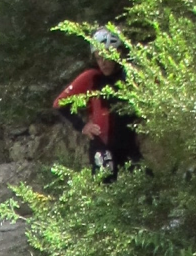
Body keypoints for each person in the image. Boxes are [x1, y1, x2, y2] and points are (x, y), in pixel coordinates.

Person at [53, 29, 141, 178]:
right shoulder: (92, 77)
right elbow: (59, 104)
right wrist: (82, 126)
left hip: (128, 147)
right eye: (98, 58)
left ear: (118, 52)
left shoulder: (129, 75)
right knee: (107, 188)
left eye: (105, 57)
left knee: (146, 184)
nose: (102, 63)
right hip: (103, 148)